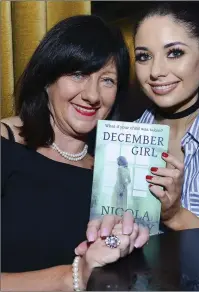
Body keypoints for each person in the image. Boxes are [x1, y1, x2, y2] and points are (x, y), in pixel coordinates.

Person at [1, 15, 149, 291]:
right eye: (79, 74)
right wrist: (73, 276)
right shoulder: (5, 146)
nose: (92, 95)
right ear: (47, 79)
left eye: (107, 80)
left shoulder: (118, 169)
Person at [133, 1, 199, 230]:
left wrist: (175, 215)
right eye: (144, 56)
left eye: (174, 53)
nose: (156, 72)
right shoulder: (122, 138)